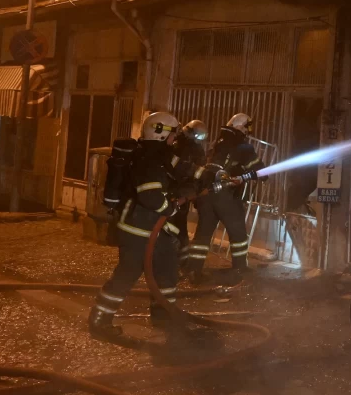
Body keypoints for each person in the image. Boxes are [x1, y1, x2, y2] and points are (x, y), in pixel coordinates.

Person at [89, 111, 183, 338]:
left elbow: (182, 168)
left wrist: (206, 176)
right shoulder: (150, 160)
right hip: (139, 231)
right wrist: (170, 208)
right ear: (162, 134)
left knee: (166, 274)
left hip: (151, 231)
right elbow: (150, 197)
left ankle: (164, 316)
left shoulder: (156, 153)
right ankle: (100, 320)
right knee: (126, 275)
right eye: (173, 134)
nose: (175, 139)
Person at [182, 113, 264, 283]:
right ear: (242, 128)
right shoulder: (244, 147)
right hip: (225, 195)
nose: (249, 132)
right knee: (238, 233)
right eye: (248, 128)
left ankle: (194, 270)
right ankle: (240, 268)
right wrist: (246, 176)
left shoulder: (216, 143)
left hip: (205, 194)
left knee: (203, 234)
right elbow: (261, 172)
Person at [168, 119, 209, 251]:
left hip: (180, 192)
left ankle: (178, 254)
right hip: (178, 191)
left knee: (177, 222)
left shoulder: (176, 144)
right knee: (177, 223)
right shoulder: (177, 146)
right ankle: (178, 255)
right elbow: (182, 168)